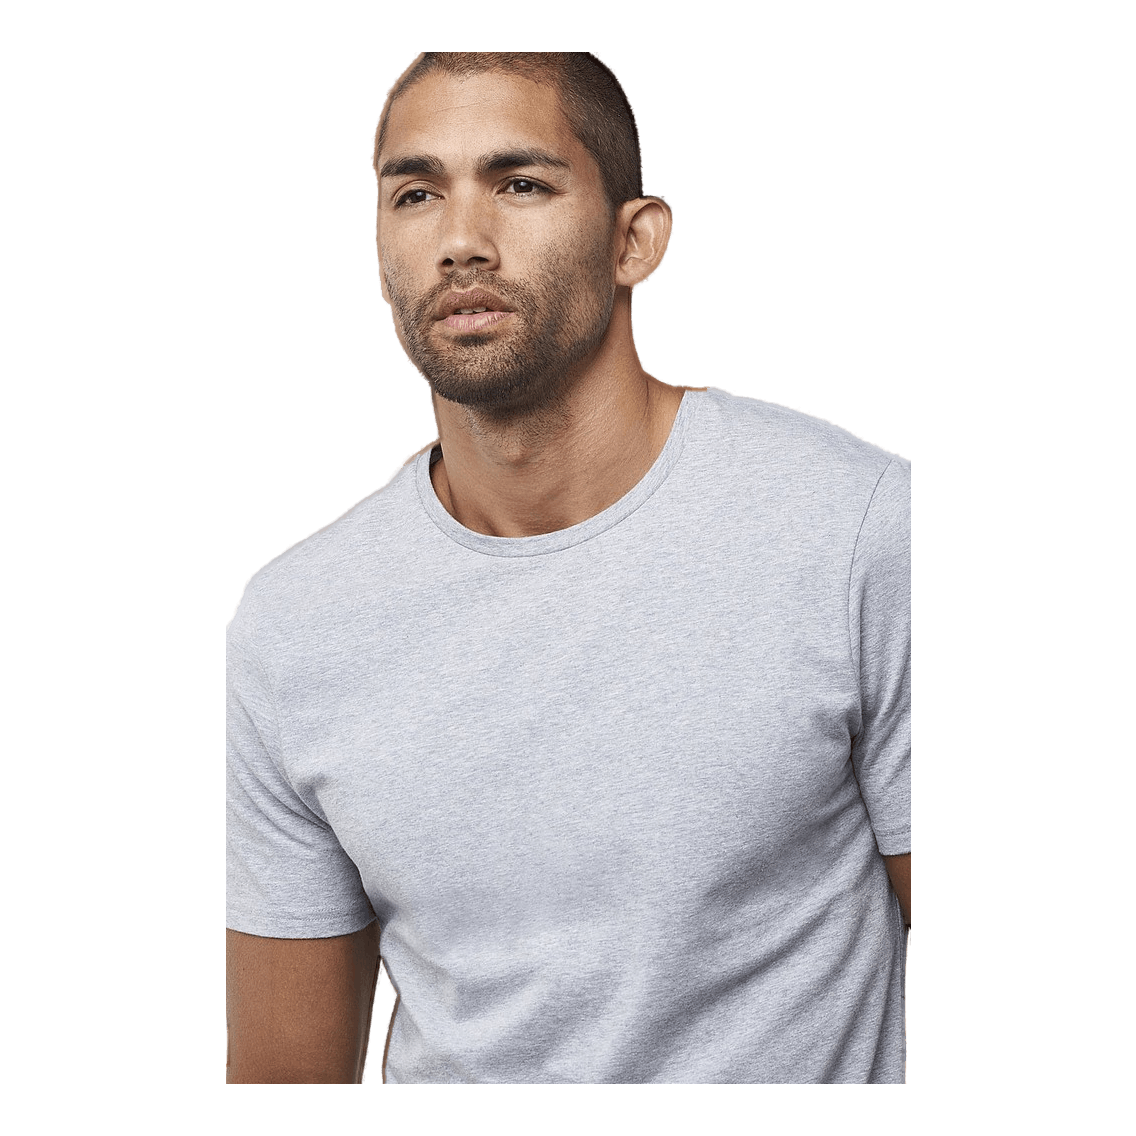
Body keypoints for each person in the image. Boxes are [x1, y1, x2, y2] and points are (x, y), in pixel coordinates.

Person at [226, 51, 910, 1084]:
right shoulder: (293, 624)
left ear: (636, 241)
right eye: (415, 194)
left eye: (520, 184)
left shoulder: (852, 528)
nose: (461, 239)